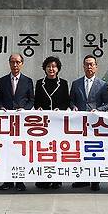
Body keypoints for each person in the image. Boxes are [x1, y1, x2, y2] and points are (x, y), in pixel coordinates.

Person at [70, 55, 108, 192]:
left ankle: (95, 180)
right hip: (80, 124)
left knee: (94, 151)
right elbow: (71, 100)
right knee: (81, 150)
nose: (89, 67)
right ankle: (82, 179)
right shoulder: (76, 83)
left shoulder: (102, 84)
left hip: (96, 124)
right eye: (86, 64)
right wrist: (73, 106)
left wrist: (98, 110)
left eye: (91, 64)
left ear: (96, 67)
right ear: (83, 66)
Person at [0, 53, 34, 192]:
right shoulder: (2, 80)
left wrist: (25, 110)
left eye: (18, 62)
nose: (15, 65)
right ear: (9, 63)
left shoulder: (28, 81)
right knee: (6, 151)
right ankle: (7, 180)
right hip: (6, 122)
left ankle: (19, 181)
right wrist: (1, 107)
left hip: (22, 122)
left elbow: (31, 100)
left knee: (20, 151)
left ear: (22, 63)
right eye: (12, 62)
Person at [34, 56, 70, 189]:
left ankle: (56, 179)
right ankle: (43, 178)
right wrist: (38, 108)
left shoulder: (64, 83)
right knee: (43, 150)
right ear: (45, 68)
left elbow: (66, 101)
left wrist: (59, 110)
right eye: (48, 66)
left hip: (57, 123)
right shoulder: (39, 83)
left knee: (56, 150)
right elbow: (36, 100)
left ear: (58, 68)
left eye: (54, 66)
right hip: (43, 123)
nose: (51, 69)